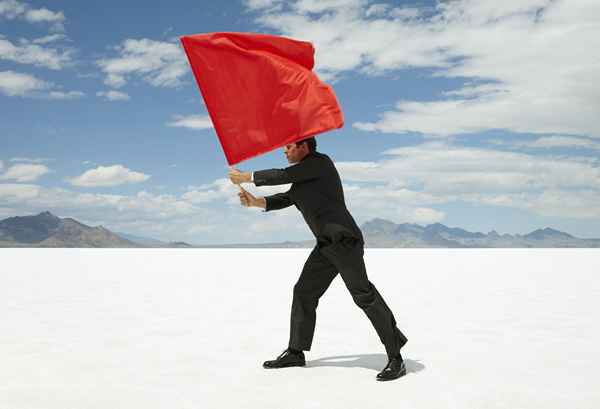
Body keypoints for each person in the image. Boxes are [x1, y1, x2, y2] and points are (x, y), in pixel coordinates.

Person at [228, 137, 408, 381]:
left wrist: (246, 176)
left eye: (289, 147)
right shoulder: (303, 179)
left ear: (304, 147)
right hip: (325, 246)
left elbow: (282, 175)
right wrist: (255, 202)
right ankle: (295, 352)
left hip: (345, 242)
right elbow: (287, 198)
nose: (284, 151)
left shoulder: (320, 164)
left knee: (363, 295)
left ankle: (396, 357)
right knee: (304, 292)